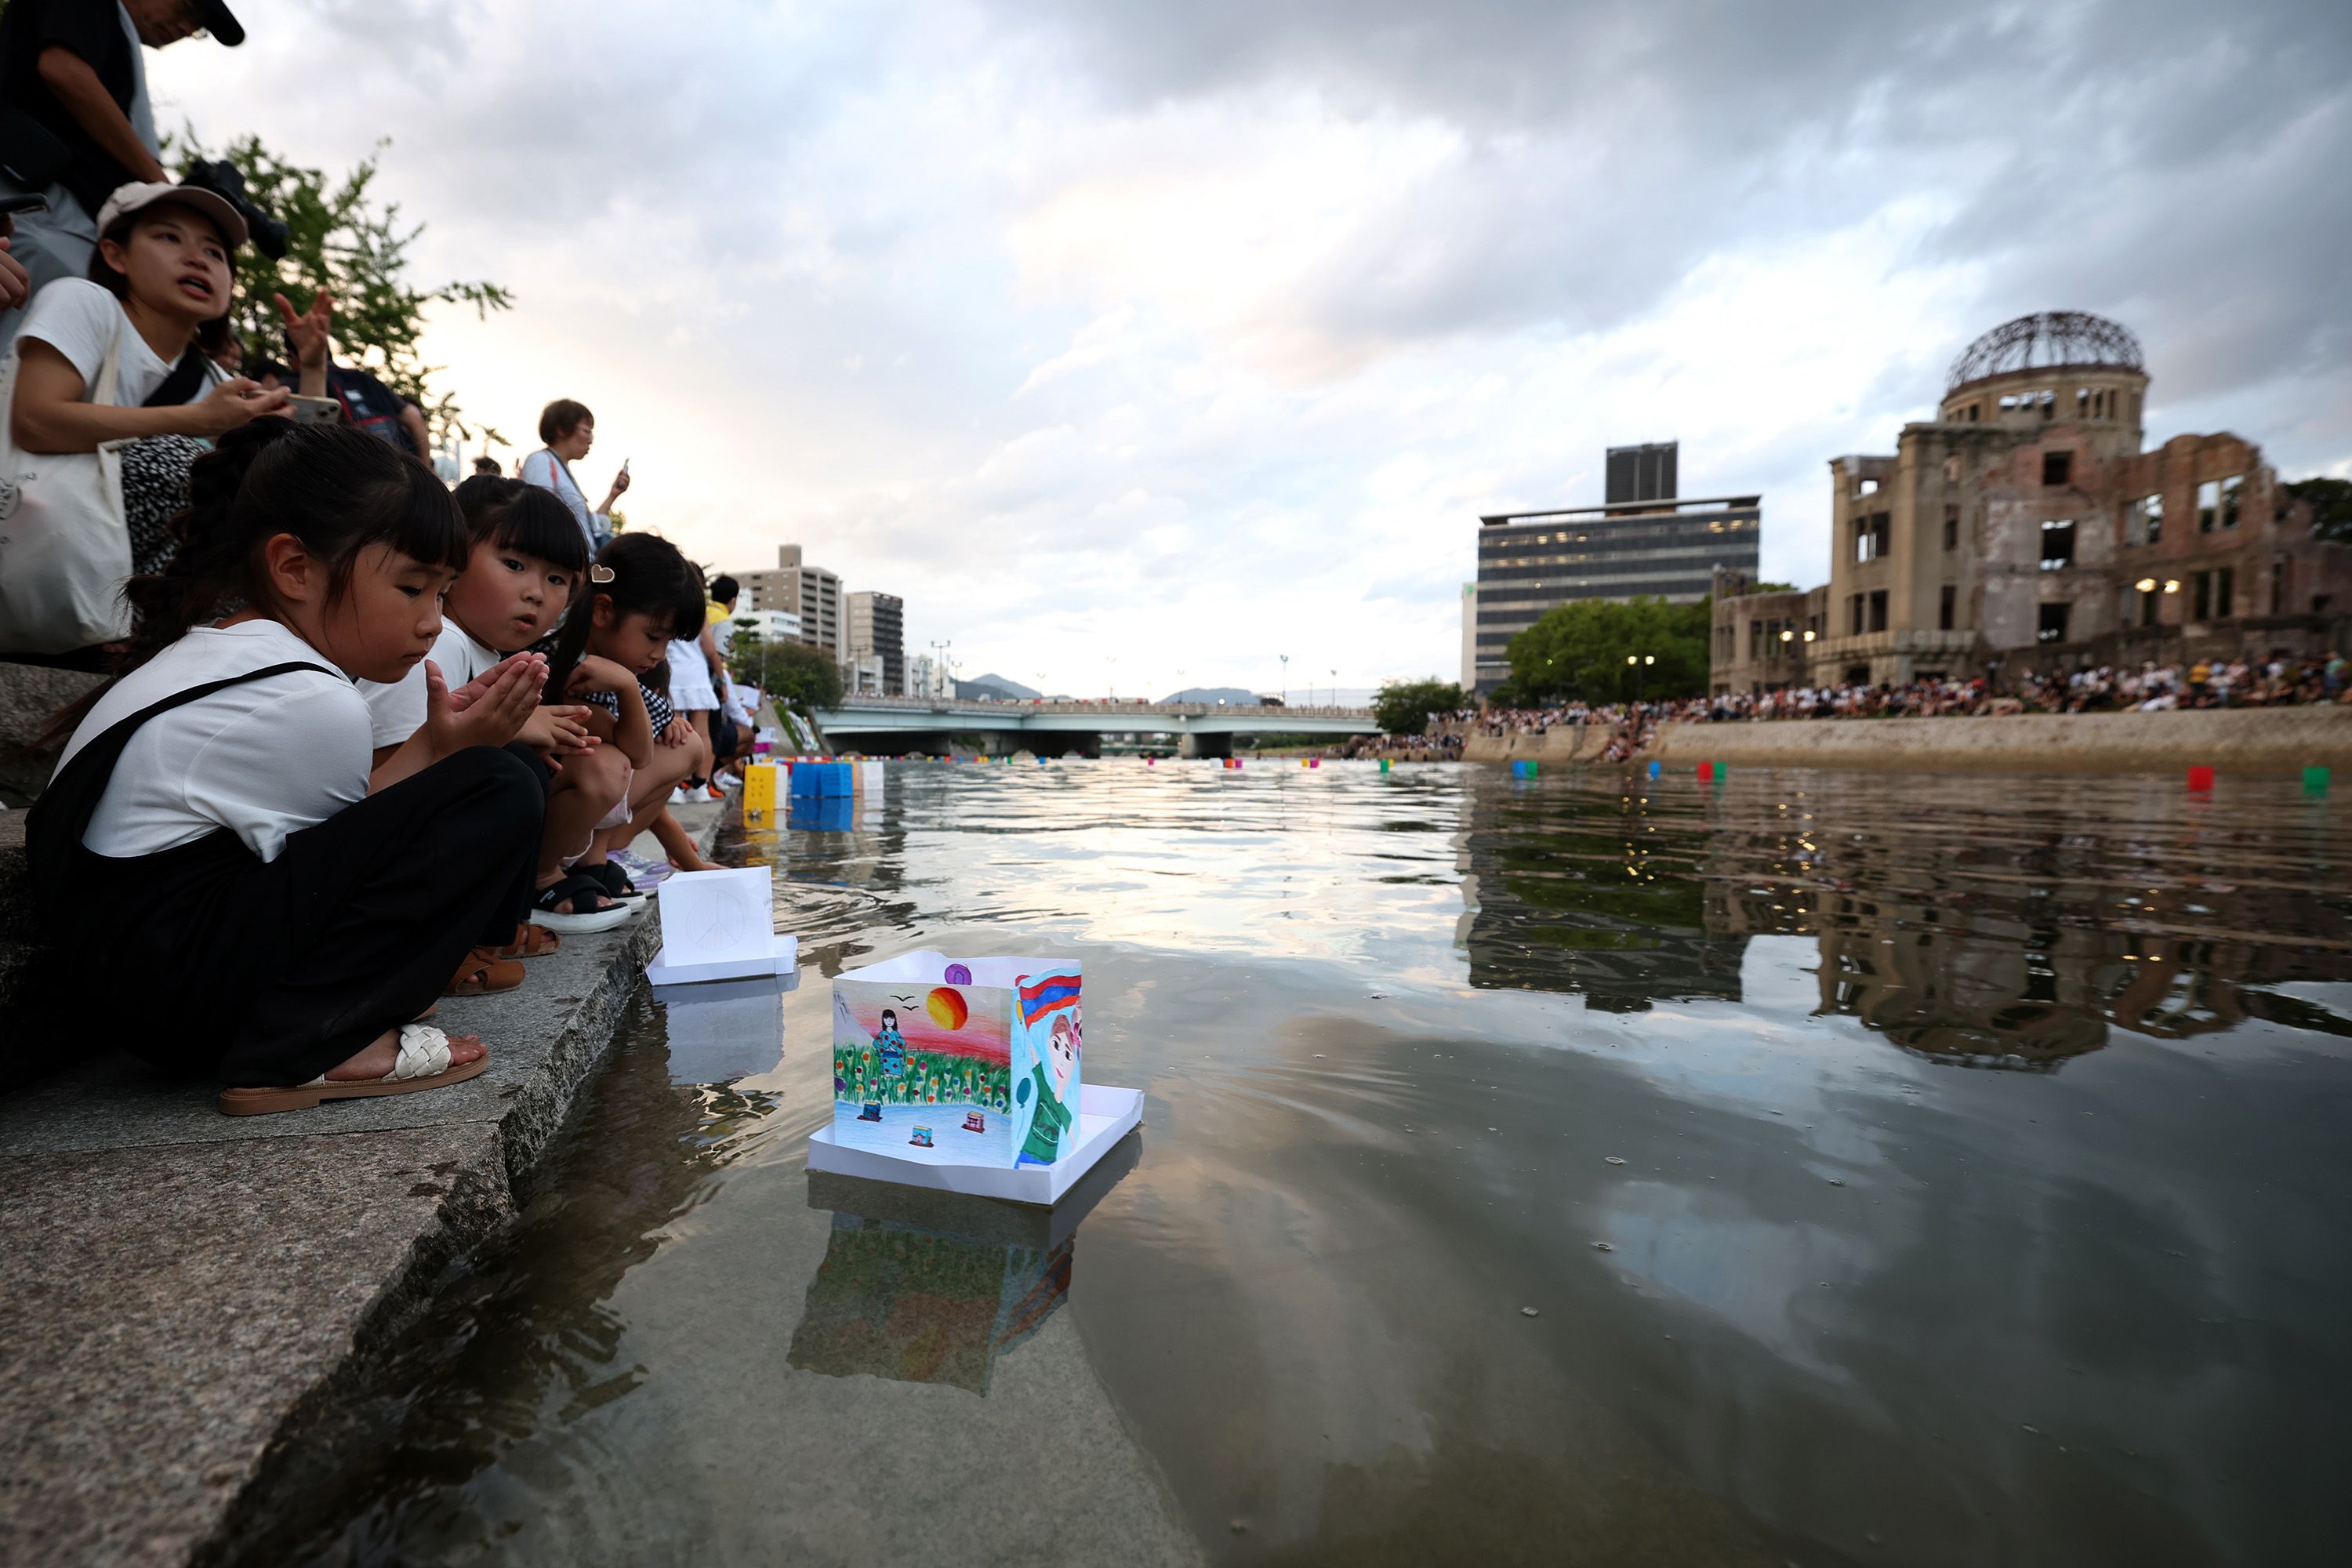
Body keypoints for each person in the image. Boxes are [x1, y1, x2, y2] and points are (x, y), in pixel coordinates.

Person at [25, 419, 548, 1115]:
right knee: (502, 787)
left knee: (480, 777)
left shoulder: (231, 649)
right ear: (294, 569)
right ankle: (319, 1041)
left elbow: (331, 854)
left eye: (442, 595)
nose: (432, 623)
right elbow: (345, 883)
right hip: (172, 988)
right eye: (412, 589)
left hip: (136, 981)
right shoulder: (310, 697)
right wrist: (470, 762)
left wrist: (440, 748)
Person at [6, 180, 289, 657]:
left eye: (215, 252)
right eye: (168, 238)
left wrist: (311, 376)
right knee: (182, 463)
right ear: (116, 256)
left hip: (117, 564)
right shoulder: (86, 301)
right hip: (29, 526)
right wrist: (196, 420)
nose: (198, 259)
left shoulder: (214, 378)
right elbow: (34, 420)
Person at [357, 476, 638, 938]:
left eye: (557, 579)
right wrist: (506, 732)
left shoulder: (482, 651)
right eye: (513, 564)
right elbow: (383, 772)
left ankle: (488, 927)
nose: (537, 593)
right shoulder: (440, 642)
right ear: (455, 555)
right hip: (374, 862)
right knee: (511, 770)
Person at [0, 0, 245, 343]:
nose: (187, 27)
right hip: (36, 210)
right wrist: (160, 187)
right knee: (23, 352)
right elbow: (64, 70)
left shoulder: (116, 35)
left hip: (64, 221)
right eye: (188, 7)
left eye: (197, 26)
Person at [540, 531, 722, 886]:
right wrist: (625, 686)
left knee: (685, 745)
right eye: (654, 637)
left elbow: (648, 762)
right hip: (537, 817)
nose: (659, 654)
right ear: (604, 611)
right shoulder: (573, 670)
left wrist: (691, 863)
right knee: (608, 764)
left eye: (668, 642)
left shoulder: (616, 668)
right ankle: (542, 875)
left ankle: (593, 858)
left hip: (571, 816)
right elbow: (638, 755)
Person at [518, 398, 628, 555]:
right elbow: (539, 519)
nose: (591, 439)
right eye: (586, 431)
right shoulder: (541, 461)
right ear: (561, 430)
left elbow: (589, 527)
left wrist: (613, 495)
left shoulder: (560, 469)